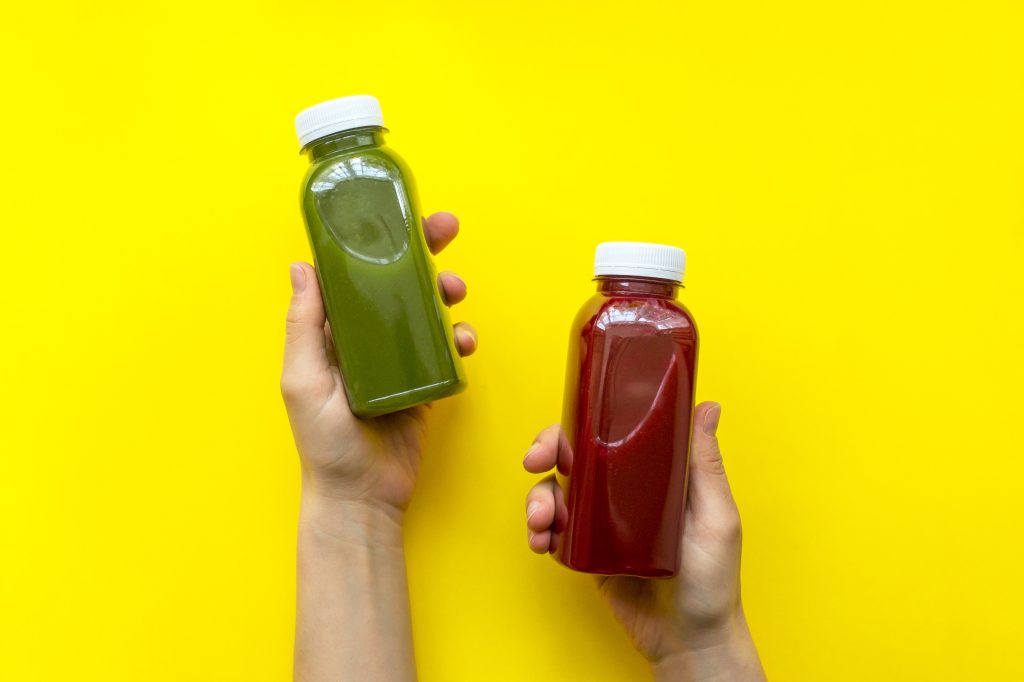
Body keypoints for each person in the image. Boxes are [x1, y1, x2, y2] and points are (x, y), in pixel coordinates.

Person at [281, 212, 766, 682]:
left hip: (682, 612)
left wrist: (701, 641)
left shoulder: (637, 323)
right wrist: (353, 498)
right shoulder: (605, 318)